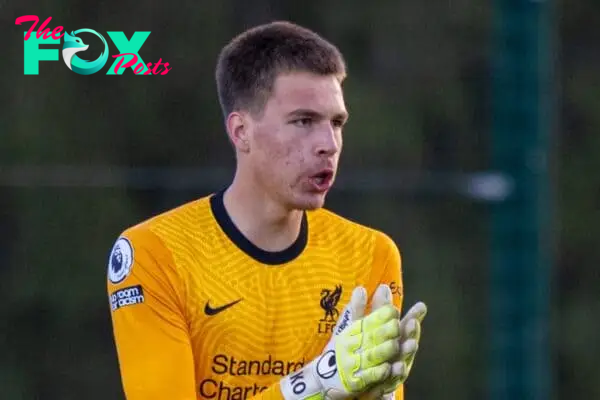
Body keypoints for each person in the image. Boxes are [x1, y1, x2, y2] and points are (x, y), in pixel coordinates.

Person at [106, 21, 427, 400]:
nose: (328, 144)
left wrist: (378, 396)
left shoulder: (371, 254)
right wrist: (314, 386)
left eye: (337, 123)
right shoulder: (154, 253)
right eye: (304, 121)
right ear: (241, 131)